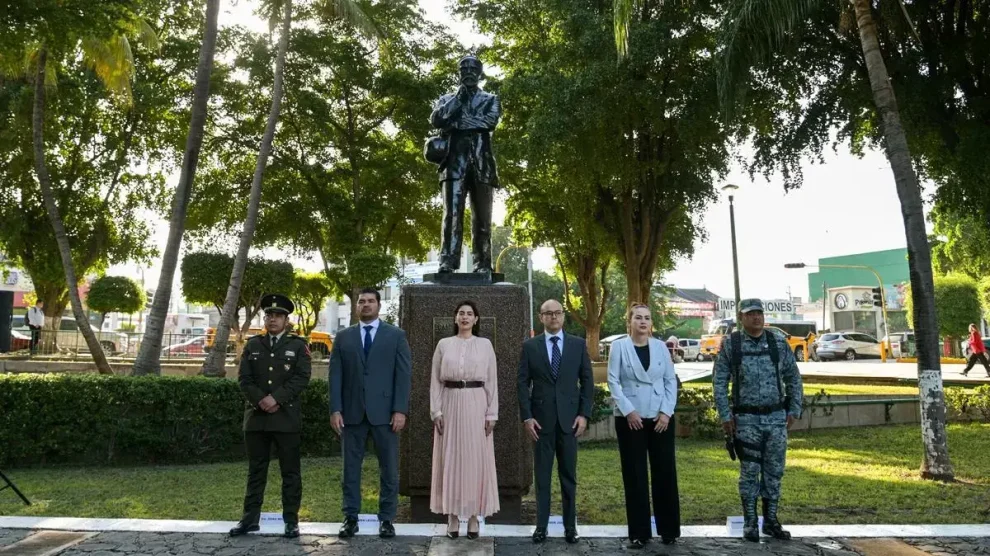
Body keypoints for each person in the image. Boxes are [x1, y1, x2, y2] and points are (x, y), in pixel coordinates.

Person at [713, 299, 803, 542]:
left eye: (759, 313)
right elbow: (719, 381)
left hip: (775, 418)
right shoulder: (732, 344)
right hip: (746, 420)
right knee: (750, 472)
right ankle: (751, 522)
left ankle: (771, 520)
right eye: (750, 314)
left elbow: (793, 377)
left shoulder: (777, 342)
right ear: (741, 318)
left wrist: (794, 409)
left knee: (774, 471)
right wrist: (724, 415)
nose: (756, 318)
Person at [329, 287, 412, 539]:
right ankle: (350, 517)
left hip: (385, 414)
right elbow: (335, 376)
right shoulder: (343, 337)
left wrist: (400, 409)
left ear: (378, 305)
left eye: (371, 301)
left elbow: (403, 375)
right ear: (356, 306)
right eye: (361, 301)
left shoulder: (396, 336)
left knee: (389, 469)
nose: (366, 305)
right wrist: (335, 409)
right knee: (350, 470)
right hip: (352, 414)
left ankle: (387, 519)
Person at [230, 293, 312, 539]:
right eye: (269, 315)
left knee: (290, 472)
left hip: (285, 418)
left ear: (287, 319)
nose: (273, 319)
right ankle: (249, 519)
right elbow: (245, 379)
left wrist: (275, 398)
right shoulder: (254, 345)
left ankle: (291, 521)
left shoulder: (298, 345)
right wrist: (261, 400)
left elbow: (301, 377)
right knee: (256, 471)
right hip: (256, 419)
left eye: (278, 316)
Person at [517, 299, 594, 544]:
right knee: (542, 477)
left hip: (570, 422)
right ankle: (541, 527)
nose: (553, 317)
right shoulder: (530, 347)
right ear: (541, 317)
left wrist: (584, 414)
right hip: (541, 423)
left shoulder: (578, 345)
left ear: (563, 316)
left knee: (568, 476)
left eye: (557, 313)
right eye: (548, 314)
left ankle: (570, 527)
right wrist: (527, 417)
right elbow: (522, 383)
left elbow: (587, 382)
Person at [607, 304, 680, 548]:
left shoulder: (661, 347)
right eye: (638, 317)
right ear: (629, 321)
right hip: (631, 419)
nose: (643, 322)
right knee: (635, 475)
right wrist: (629, 411)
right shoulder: (619, 346)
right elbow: (613, 381)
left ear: (651, 323)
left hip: (660, 418)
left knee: (665, 473)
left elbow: (671, 381)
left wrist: (666, 413)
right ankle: (639, 532)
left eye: (647, 318)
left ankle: (668, 530)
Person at [430, 300, 499, 539]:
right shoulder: (443, 344)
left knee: (474, 460)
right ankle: (451, 517)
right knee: (450, 459)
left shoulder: (485, 345)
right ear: (455, 318)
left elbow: (491, 381)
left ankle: (472, 517)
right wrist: (436, 412)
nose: (465, 317)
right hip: (449, 403)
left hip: (476, 404)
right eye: (461, 313)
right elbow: (435, 381)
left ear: (476, 319)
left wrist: (492, 414)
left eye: (470, 314)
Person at [428, 54, 501, 273]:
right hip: (453, 164)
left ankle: (483, 263)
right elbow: (437, 119)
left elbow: (489, 122)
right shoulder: (447, 100)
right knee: (451, 216)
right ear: (459, 74)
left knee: (483, 219)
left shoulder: (490, 99)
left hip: (482, 165)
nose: (468, 72)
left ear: (480, 73)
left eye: (473, 69)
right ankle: (448, 261)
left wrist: (457, 123)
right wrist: (458, 101)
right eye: (464, 69)